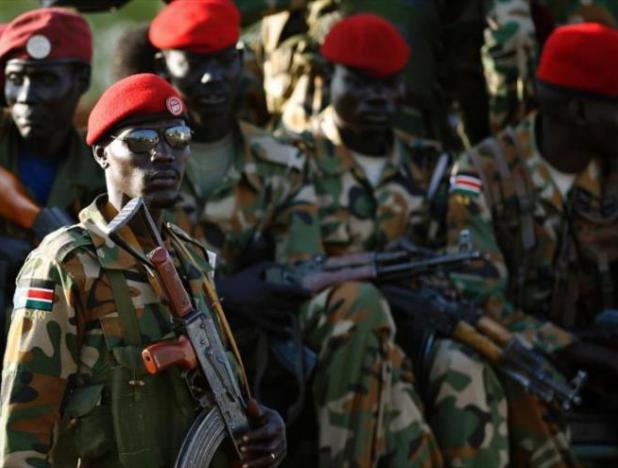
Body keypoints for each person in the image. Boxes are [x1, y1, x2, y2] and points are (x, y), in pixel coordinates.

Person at [149, 1, 443, 466]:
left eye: (224, 61)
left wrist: (271, 284)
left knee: (358, 303)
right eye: (195, 62)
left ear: (243, 60)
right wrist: (223, 291)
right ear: (163, 65)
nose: (213, 78)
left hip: (265, 329)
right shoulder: (138, 155)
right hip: (160, 330)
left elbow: (299, 265)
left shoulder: (278, 159)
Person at [0, 72, 286, 467]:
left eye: (178, 139)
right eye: (142, 142)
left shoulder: (193, 259)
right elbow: (24, 428)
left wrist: (261, 426)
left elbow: (222, 383)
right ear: (101, 153)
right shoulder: (67, 263)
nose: (164, 154)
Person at [304, 14, 510, 467]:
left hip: (418, 319)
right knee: (393, 394)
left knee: (467, 372)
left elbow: (465, 256)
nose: (377, 97)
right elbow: (290, 265)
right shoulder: (289, 158)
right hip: (333, 328)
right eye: (359, 83)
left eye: (388, 84)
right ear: (327, 77)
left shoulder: (431, 163)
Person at [448, 22, 618, 465]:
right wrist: (579, 349)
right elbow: (478, 303)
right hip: (520, 366)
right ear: (580, 112)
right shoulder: (480, 172)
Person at [0, 8, 104, 369]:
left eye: (45, 79)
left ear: (81, 80)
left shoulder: (107, 170)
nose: (26, 96)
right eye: (16, 78)